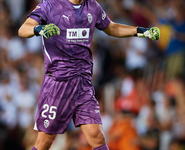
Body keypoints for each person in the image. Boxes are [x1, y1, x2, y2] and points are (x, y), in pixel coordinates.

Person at [18, 0, 160, 149]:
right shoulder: (50, 5)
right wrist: (40, 29)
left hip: (83, 83)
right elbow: (23, 29)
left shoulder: (93, 6)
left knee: (97, 136)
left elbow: (111, 28)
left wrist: (142, 31)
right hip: (58, 84)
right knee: (45, 141)